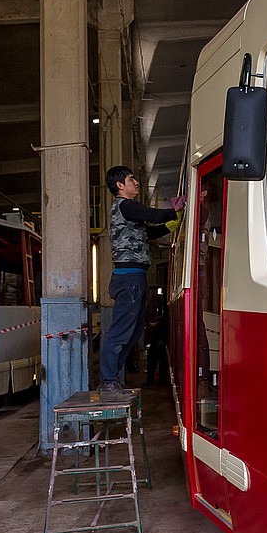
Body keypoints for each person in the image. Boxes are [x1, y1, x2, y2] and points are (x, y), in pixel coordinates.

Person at [100, 166, 184, 399]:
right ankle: (107, 381)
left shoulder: (129, 214)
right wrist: (173, 209)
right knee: (120, 332)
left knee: (133, 331)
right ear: (120, 185)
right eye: (131, 179)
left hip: (134, 277)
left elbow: (150, 232)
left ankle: (112, 378)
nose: (136, 183)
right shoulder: (125, 206)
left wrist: (171, 223)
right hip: (129, 278)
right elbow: (152, 215)